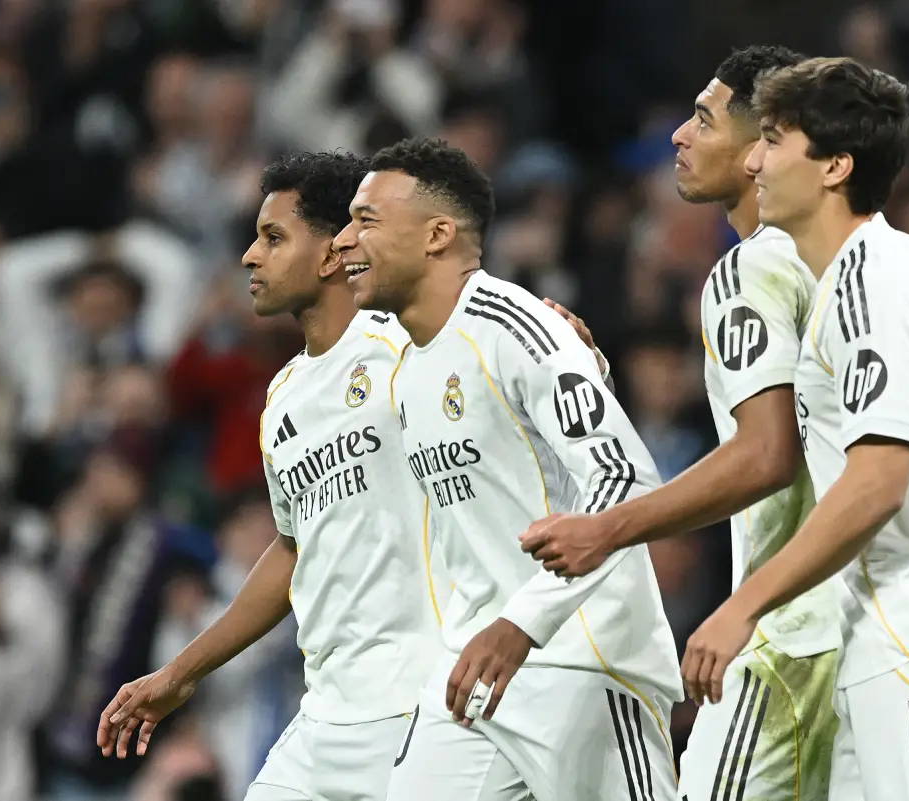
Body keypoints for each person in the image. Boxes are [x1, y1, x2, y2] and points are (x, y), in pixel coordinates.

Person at [94, 150, 604, 801]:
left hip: (430, 710)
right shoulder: (283, 397)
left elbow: (521, 379)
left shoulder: (414, 346)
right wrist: (182, 671)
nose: (250, 255)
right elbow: (293, 548)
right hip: (325, 718)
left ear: (335, 252)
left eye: (273, 237)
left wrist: (568, 351)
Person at [520, 45, 844, 801]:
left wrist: (609, 527)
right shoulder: (865, 259)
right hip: (873, 626)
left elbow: (765, 454)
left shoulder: (750, 270)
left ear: (764, 142)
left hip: (791, 630)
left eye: (702, 119)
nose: (678, 136)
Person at [707, 56, 909, 800]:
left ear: (834, 167)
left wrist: (742, 605)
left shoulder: (867, 283)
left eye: (776, 140)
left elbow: (877, 483)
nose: (754, 157)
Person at [334, 137, 682, 801]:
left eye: (366, 220)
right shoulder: (407, 370)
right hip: (476, 670)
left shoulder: (517, 323)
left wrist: (524, 620)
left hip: (584, 656)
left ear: (438, 234)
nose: (343, 241)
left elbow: (624, 478)